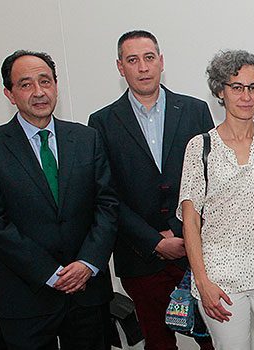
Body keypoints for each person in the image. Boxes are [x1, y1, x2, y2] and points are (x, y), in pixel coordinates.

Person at [0, 50, 118, 349]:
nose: (39, 92)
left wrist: (88, 263)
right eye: (26, 84)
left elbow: (107, 206)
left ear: (56, 85)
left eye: (45, 81)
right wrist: (48, 273)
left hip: (87, 293)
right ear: (9, 94)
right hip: (26, 296)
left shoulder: (86, 139)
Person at [88, 30, 215, 350]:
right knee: (158, 342)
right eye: (133, 60)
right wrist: (155, 241)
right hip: (139, 256)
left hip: (197, 251)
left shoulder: (194, 109)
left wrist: (182, 235)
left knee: (214, 339)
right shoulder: (102, 122)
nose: (142, 67)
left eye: (149, 58)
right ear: (120, 67)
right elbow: (106, 193)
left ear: (161, 62)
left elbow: (210, 178)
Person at [177, 50, 254, 350]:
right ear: (220, 91)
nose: (246, 96)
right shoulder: (200, 148)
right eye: (236, 87)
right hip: (220, 279)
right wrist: (202, 282)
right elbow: (191, 224)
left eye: (253, 87)